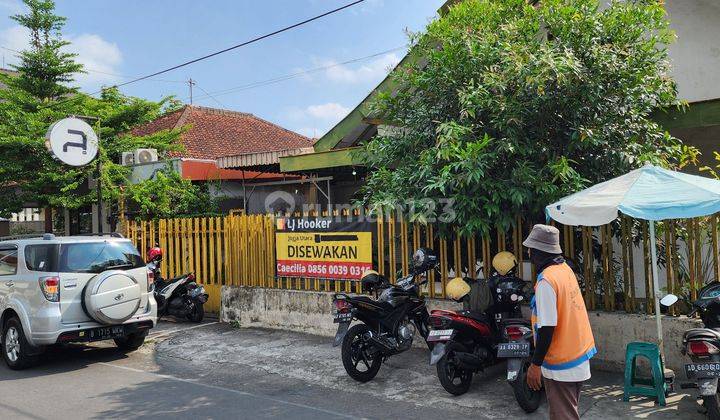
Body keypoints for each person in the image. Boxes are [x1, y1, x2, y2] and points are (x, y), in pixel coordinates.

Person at [523, 224, 596, 420]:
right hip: (578, 355)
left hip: (562, 363)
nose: (528, 252)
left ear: (538, 251)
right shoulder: (564, 270)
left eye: (530, 248)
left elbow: (547, 327)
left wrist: (535, 365)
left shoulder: (547, 281)